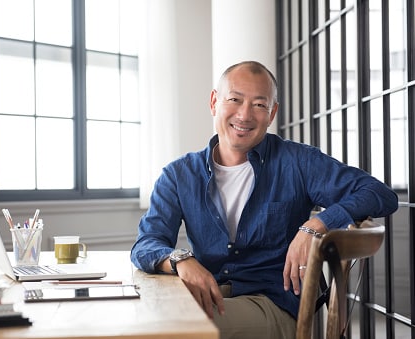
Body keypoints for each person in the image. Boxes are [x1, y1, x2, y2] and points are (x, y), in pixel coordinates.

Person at [130, 61, 398, 338]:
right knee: (142, 319)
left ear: (272, 113)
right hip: (210, 292)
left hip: (271, 303)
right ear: (214, 102)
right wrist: (181, 260)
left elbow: (380, 194)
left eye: (259, 104)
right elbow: (145, 244)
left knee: (174, 330)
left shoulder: (299, 162)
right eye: (234, 99)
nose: (245, 115)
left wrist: (316, 225)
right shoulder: (178, 175)